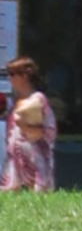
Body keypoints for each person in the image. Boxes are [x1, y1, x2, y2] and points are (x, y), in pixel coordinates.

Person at [2, 57, 56, 193]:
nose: (10, 78)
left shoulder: (37, 100)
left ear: (24, 76)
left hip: (35, 159)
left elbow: (41, 133)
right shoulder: (15, 101)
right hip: (15, 160)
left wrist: (23, 125)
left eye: (12, 74)